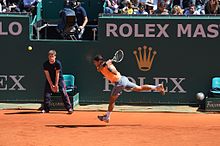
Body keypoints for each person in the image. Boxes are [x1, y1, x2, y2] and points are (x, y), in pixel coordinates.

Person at [93, 55, 165, 123]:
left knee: (112, 100)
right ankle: (157, 87)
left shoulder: (109, 65)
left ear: (99, 61)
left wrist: (109, 66)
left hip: (120, 82)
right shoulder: (100, 66)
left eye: (95, 62)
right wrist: (105, 64)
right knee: (138, 88)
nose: (94, 63)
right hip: (123, 80)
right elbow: (99, 69)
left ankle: (107, 117)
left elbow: (114, 72)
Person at [42, 50, 73, 114]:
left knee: (63, 92)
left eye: (52, 56)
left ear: (55, 57)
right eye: (50, 56)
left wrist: (56, 85)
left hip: (59, 79)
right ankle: (46, 109)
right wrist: (51, 85)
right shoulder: (45, 64)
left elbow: (57, 74)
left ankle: (69, 108)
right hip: (50, 79)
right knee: (46, 94)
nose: (51, 58)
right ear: (48, 57)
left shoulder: (58, 63)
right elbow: (47, 75)